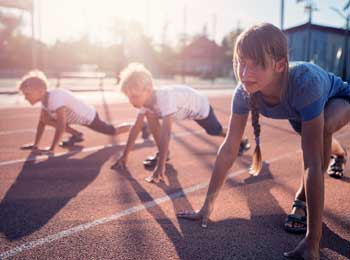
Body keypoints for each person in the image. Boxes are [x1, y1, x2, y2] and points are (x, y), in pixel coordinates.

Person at [176, 23, 349, 260]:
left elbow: (312, 165)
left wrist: (313, 241)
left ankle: (301, 199)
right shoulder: (243, 92)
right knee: (315, 138)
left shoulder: (305, 84)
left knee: (321, 136)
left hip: (339, 99)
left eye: (254, 64)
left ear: (279, 65)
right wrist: (206, 206)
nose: (244, 73)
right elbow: (229, 148)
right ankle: (340, 153)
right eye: (240, 62)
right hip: (302, 112)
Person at [111, 63, 250, 183]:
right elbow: (135, 128)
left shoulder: (164, 98)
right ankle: (164, 153)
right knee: (149, 115)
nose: (132, 102)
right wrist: (124, 156)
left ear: (148, 90)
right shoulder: (145, 103)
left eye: (134, 97)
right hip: (182, 109)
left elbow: (166, 133)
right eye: (129, 97)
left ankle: (242, 140)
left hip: (200, 107)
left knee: (214, 131)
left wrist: (160, 166)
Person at [18, 70, 132, 154]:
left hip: (88, 117)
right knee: (45, 119)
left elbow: (61, 125)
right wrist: (35, 144)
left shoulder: (55, 97)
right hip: (74, 119)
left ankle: (139, 126)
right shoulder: (44, 101)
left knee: (112, 131)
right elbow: (41, 123)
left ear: (40, 91)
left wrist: (52, 148)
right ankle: (77, 135)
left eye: (27, 94)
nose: (25, 98)